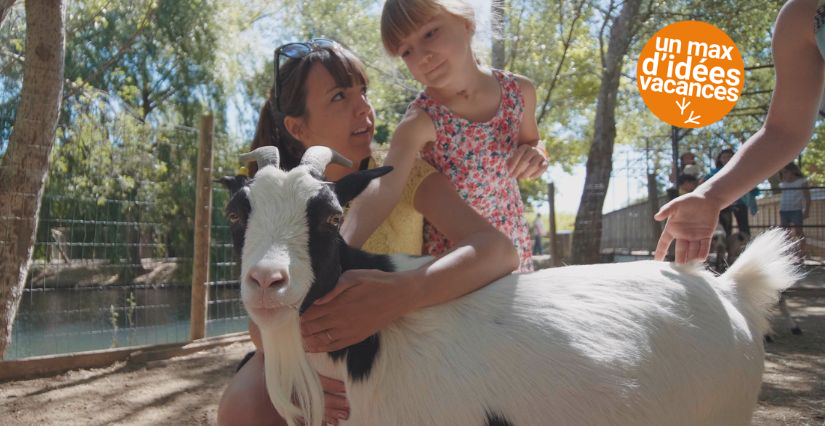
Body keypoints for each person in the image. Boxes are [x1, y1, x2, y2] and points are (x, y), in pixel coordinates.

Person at [217, 39, 520, 426]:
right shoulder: (274, 198)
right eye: (339, 96)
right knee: (245, 408)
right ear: (297, 127)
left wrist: (407, 291)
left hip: (402, 347)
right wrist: (292, 368)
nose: (364, 108)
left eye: (363, 91)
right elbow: (260, 317)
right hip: (307, 352)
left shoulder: (406, 174)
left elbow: (498, 250)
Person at [341, 0, 548, 272]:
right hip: (455, 260)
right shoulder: (420, 121)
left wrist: (537, 154)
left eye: (430, 33)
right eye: (406, 51)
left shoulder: (519, 92)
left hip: (513, 240)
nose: (422, 56)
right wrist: (337, 253)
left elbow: (532, 142)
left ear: (466, 22)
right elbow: (384, 189)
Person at [655, 0, 825, 263]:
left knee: (743, 230)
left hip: (745, 206)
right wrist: (709, 195)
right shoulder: (804, 14)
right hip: (731, 205)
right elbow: (783, 130)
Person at [704, 148, 760, 239]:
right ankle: (726, 244)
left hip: (740, 202)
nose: (727, 159)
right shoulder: (714, 173)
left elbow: (752, 184)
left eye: (729, 157)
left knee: (743, 226)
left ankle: (746, 242)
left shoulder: (742, 171)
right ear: (720, 159)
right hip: (723, 204)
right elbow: (706, 183)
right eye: (724, 157)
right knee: (726, 227)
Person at [778, 161, 811, 258]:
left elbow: (807, 197)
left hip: (796, 210)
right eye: (783, 173)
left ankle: (802, 252)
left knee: (798, 231)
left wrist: (807, 210)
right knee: (785, 233)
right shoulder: (783, 183)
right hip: (784, 210)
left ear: (793, 171)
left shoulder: (801, 182)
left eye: (786, 172)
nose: (784, 175)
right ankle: (789, 254)